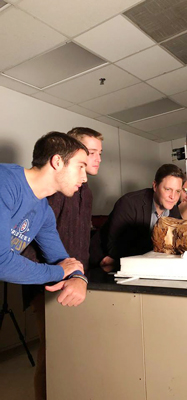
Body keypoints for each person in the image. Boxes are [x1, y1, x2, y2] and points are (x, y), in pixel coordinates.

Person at [22, 127, 103, 400]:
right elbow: (29, 247)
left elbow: (74, 241)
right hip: (49, 283)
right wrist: (59, 275)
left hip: (72, 279)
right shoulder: (53, 189)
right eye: (88, 155)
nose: (96, 160)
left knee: (70, 351)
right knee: (52, 355)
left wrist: (79, 275)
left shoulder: (85, 193)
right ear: (63, 157)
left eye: (98, 154)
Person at [0, 131, 89, 291]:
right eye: (80, 167)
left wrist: (78, 277)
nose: (85, 178)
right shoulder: (4, 181)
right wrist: (59, 272)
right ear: (57, 162)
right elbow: (1, 262)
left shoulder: (44, 211)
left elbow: (60, 258)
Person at [100, 164, 184, 270]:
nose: (173, 196)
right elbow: (115, 248)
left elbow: (180, 244)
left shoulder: (174, 210)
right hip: (102, 265)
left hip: (142, 266)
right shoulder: (129, 203)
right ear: (155, 186)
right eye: (168, 189)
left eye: (178, 191)